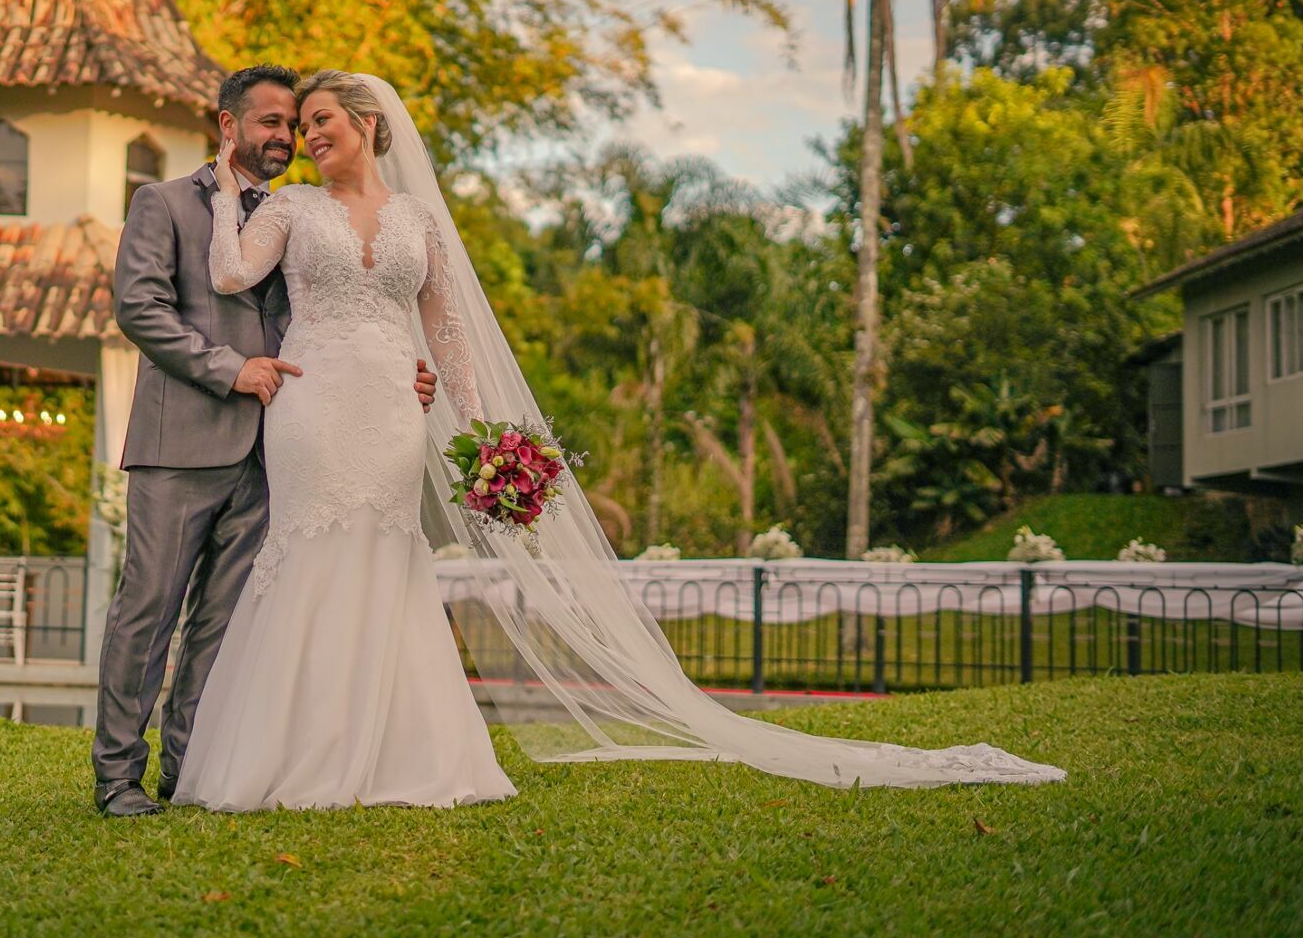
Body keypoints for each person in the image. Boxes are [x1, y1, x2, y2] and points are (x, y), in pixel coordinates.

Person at [173, 71, 1065, 812]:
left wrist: (484, 435)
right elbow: (229, 272)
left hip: (394, 416)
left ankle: (393, 757)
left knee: (387, 558)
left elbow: (445, 335)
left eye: (322, 120)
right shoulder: (286, 209)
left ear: (369, 126)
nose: (308, 135)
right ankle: (288, 756)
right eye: (301, 124)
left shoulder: (421, 222)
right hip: (311, 405)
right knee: (312, 554)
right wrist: (221, 185)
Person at [92, 64, 440, 818]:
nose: (287, 137)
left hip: (282, 448)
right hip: (181, 439)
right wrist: (230, 369)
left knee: (222, 622)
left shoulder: (302, 212)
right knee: (148, 609)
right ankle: (117, 775)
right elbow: (140, 309)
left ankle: (189, 768)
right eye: (272, 122)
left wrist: (398, 373)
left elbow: (339, 312)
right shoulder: (164, 203)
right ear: (229, 125)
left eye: (295, 125)